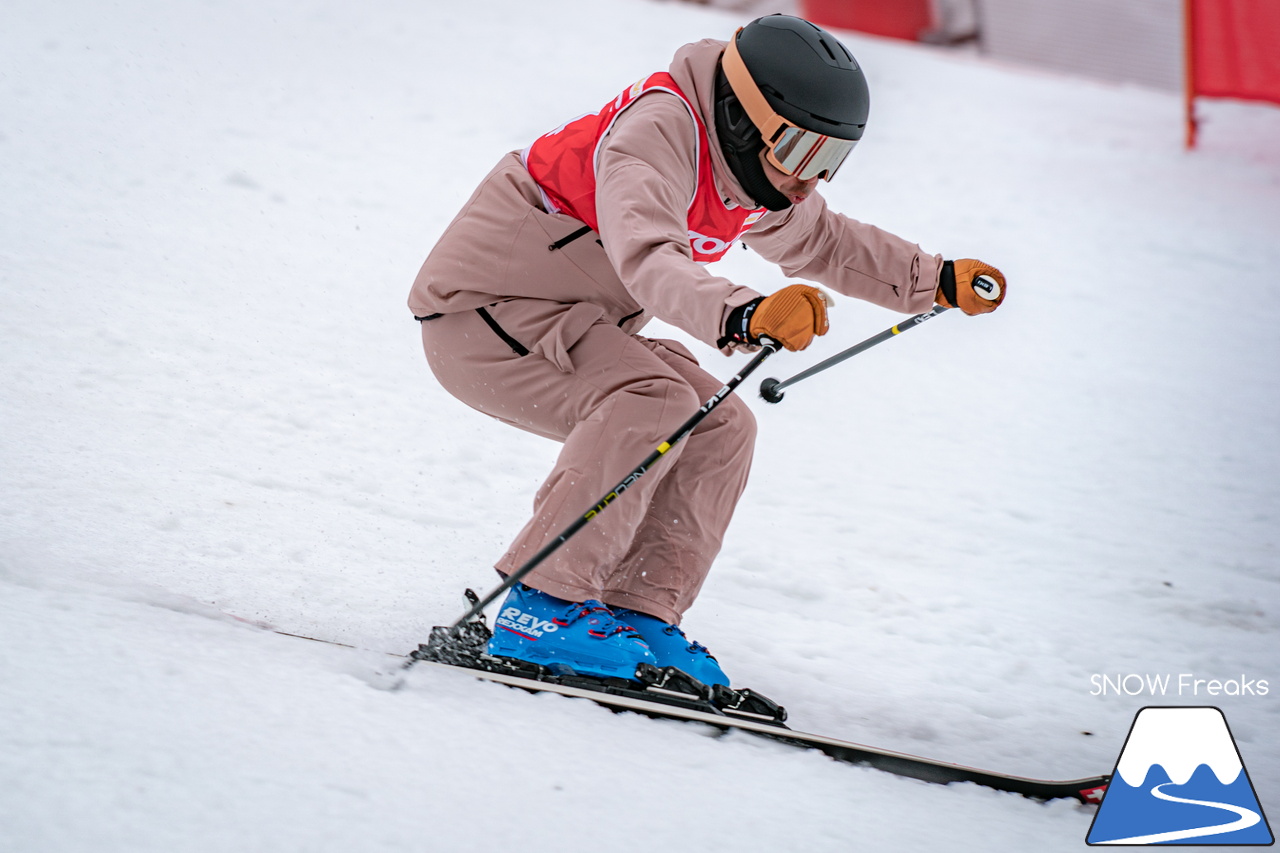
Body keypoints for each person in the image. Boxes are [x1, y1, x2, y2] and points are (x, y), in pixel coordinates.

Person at [409, 14, 1005, 687]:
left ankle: (638, 609)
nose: (813, 180)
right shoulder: (655, 134)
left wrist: (936, 280)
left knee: (721, 423)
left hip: (563, 321)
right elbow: (650, 261)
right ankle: (542, 608)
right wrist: (744, 312)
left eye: (830, 160)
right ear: (744, 120)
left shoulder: (758, 176)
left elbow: (826, 242)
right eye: (804, 152)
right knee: (652, 399)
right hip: (481, 316)